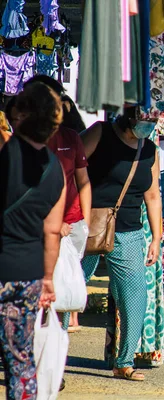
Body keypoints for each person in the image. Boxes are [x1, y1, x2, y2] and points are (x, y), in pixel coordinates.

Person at [80, 107, 162, 381]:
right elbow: (70, 165)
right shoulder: (101, 133)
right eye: (145, 120)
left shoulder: (150, 150)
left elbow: (152, 196)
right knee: (70, 290)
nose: (149, 126)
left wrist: (157, 238)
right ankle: (51, 355)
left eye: (153, 122)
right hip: (88, 226)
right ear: (130, 117)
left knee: (136, 297)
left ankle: (124, 362)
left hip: (129, 232)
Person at [0, 82, 66, 398]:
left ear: (22, 113)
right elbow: (52, 231)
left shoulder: (5, 153)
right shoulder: (56, 171)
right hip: (27, 274)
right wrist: (48, 278)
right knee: (20, 360)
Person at [22, 75, 92, 333]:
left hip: (71, 226)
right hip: (37, 228)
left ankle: (52, 352)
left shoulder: (71, 137)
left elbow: (83, 181)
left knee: (61, 290)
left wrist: (85, 220)